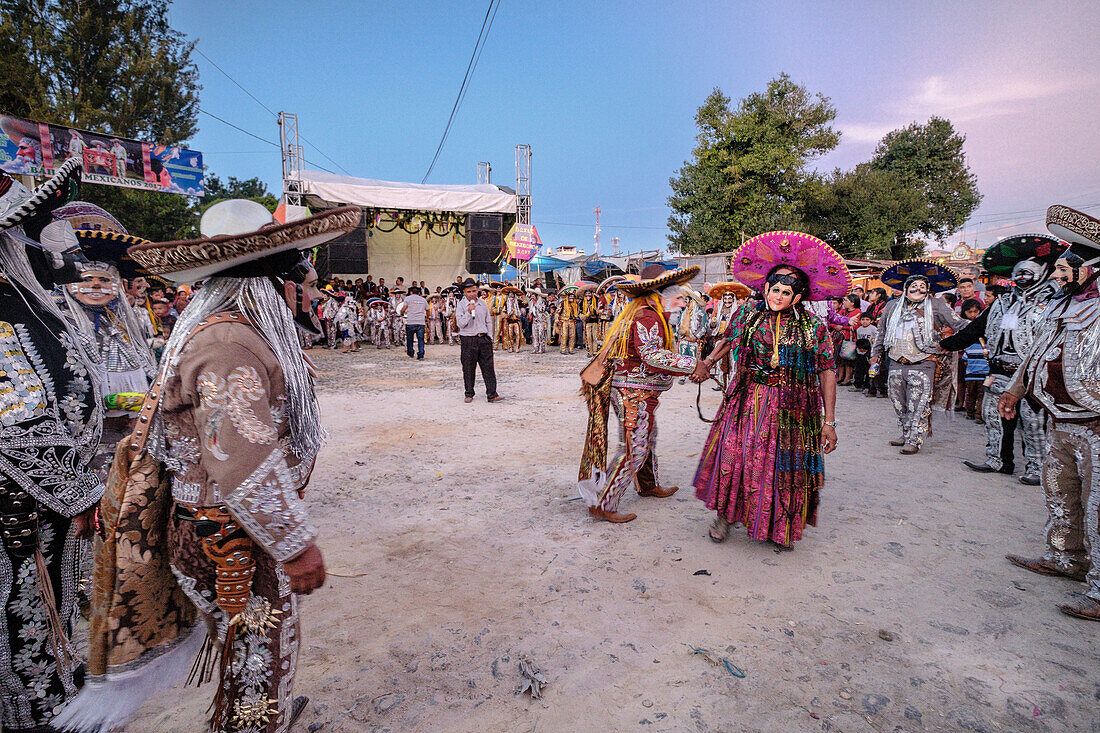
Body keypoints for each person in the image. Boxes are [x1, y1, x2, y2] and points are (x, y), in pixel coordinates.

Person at [58, 200, 360, 732]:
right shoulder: (227, 342)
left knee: (258, 650)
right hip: (231, 535)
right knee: (257, 656)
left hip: (231, 527)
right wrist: (293, 542)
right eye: (297, 275)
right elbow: (241, 459)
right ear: (268, 281)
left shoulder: (237, 334)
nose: (305, 287)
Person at [0, 160, 105, 732]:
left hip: (44, 511)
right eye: (28, 233)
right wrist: (84, 493)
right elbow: (17, 420)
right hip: (22, 513)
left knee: (56, 624)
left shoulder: (24, 300)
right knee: (28, 634)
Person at [691, 231, 843, 548]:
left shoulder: (813, 327)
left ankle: (780, 527)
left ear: (798, 298)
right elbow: (727, 341)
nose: (778, 296)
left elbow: (828, 371)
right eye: (775, 289)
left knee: (781, 466)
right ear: (765, 288)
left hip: (793, 407)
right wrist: (706, 361)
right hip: (746, 398)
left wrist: (829, 422)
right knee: (734, 456)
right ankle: (725, 514)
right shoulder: (747, 314)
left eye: (786, 292)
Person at [999, 204, 1100, 622]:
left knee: (1098, 508)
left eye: (1064, 271)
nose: (1056, 277)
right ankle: (1065, 558)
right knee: (1060, 492)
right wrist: (1015, 390)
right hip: (1060, 419)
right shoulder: (1061, 306)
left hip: (1095, 422)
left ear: (1090, 269)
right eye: (1056, 270)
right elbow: (1037, 354)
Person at [577, 264, 701, 523]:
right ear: (660, 295)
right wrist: (693, 365)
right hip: (633, 393)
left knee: (647, 438)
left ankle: (647, 485)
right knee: (635, 447)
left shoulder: (648, 314)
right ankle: (603, 503)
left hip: (637, 391)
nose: (681, 303)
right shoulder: (648, 317)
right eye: (678, 298)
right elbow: (652, 356)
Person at [942, 235, 1065, 484]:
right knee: (993, 415)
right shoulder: (1002, 301)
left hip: (1032, 373)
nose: (1022, 277)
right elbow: (975, 329)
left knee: (1032, 422)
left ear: (1043, 272)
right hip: (999, 369)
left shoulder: (1054, 301)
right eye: (1018, 272)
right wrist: (944, 345)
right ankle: (997, 459)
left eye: (1029, 272)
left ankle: (1036, 467)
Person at [53, 201, 159, 479]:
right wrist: (118, 401)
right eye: (88, 278)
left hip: (131, 435)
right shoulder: (62, 325)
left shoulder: (125, 325)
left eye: (104, 278)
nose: (97, 285)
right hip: (85, 442)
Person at [871, 260, 968, 454]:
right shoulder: (891, 307)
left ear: (928, 289)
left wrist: (958, 339)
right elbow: (881, 332)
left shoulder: (937, 304)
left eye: (922, 286)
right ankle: (905, 432)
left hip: (924, 362)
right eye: (913, 286)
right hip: (896, 361)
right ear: (905, 288)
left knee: (919, 403)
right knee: (898, 402)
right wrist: (875, 356)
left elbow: (960, 325)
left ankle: (915, 439)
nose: (918, 289)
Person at [455, 279, 502, 403]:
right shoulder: (461, 305)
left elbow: (488, 321)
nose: (472, 294)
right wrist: (469, 312)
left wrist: (490, 336)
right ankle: (469, 393)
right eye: (468, 291)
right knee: (468, 368)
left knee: (488, 367)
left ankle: (492, 394)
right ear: (464, 292)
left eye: (474, 291)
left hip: (483, 339)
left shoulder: (482, 304)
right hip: (468, 339)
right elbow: (460, 324)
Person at [400, 285, 428, 359]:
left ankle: (411, 352)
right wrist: (426, 317)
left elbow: (404, 308)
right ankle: (421, 354)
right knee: (420, 339)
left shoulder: (408, 299)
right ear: (419, 293)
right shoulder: (423, 300)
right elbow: (428, 310)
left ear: (411, 292)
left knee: (410, 339)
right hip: (421, 322)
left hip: (411, 321)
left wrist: (401, 312)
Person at [853, 311, 878, 392]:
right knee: (859, 369)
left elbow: (876, 339)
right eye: (863, 319)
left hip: (869, 352)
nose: (865, 321)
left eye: (867, 320)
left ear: (871, 321)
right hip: (860, 352)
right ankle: (858, 385)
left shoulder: (873, 329)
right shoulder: (859, 329)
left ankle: (867, 386)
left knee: (868, 369)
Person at [502, 286, 524, 352]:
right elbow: (503, 310)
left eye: (512, 294)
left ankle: (517, 347)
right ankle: (511, 347)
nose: (511, 295)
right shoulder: (506, 302)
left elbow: (525, 304)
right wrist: (506, 315)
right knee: (510, 335)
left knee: (517, 334)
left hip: (516, 320)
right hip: (509, 321)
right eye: (510, 294)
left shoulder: (518, 301)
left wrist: (519, 313)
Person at [580, 288, 601, 356]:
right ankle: (589, 351)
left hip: (595, 321)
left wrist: (596, 311)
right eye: (586, 294)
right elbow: (580, 311)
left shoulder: (596, 300)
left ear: (592, 294)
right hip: (587, 321)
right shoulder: (582, 301)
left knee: (595, 337)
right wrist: (583, 316)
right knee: (588, 337)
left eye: (589, 293)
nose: (588, 295)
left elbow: (600, 309)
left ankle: (595, 351)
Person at [529, 287, 549, 353]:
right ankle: (535, 348)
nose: (532, 297)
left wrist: (536, 303)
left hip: (541, 321)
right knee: (535, 335)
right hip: (534, 321)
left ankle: (542, 348)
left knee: (541, 335)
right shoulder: (531, 303)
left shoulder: (542, 302)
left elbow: (542, 309)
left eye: (533, 296)